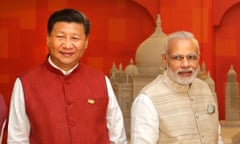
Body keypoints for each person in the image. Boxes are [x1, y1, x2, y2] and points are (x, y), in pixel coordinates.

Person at [7, 8, 127, 144]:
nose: (68, 45)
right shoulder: (25, 83)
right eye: (60, 37)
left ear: (86, 42)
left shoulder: (101, 81)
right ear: (48, 39)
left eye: (75, 38)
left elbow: (117, 136)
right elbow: (17, 139)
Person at [130, 31, 223, 144]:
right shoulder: (147, 100)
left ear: (198, 58)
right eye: (177, 58)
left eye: (191, 57)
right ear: (165, 60)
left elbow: (216, 136)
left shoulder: (204, 88)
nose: (185, 64)